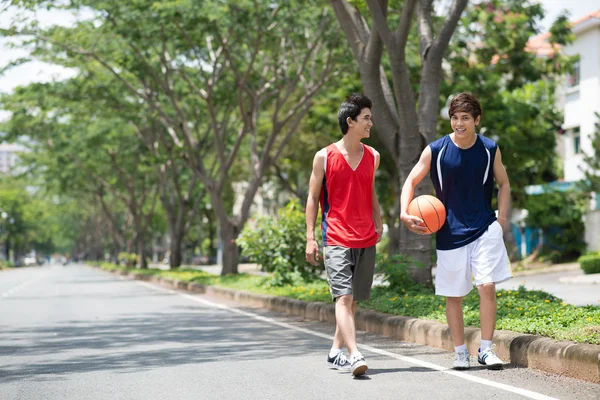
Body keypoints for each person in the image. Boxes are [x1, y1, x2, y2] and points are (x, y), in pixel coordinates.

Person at [400, 92, 512, 370]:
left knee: (487, 286)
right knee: (455, 295)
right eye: (454, 118)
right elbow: (410, 181)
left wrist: (502, 222)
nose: (459, 123)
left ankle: (486, 349)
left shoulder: (489, 149)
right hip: (449, 232)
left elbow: (504, 184)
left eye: (465, 118)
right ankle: (461, 352)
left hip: (485, 227)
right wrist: (404, 213)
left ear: (477, 120)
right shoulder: (436, 150)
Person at [305, 93, 383, 376]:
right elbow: (313, 198)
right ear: (350, 121)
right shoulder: (324, 157)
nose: (370, 123)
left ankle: (335, 351)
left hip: (365, 236)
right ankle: (354, 354)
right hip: (335, 236)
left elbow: (370, 192)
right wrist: (311, 238)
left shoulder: (373, 156)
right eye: (366, 118)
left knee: (354, 300)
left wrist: (379, 220)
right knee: (344, 298)